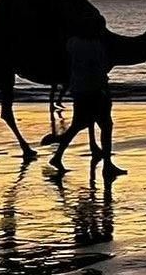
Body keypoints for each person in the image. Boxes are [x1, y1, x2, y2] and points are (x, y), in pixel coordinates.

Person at [49, 28, 116, 174]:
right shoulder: (97, 46)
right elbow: (101, 69)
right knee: (106, 125)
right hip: (95, 89)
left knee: (77, 125)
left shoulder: (73, 43)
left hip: (79, 89)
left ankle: (58, 156)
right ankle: (108, 165)